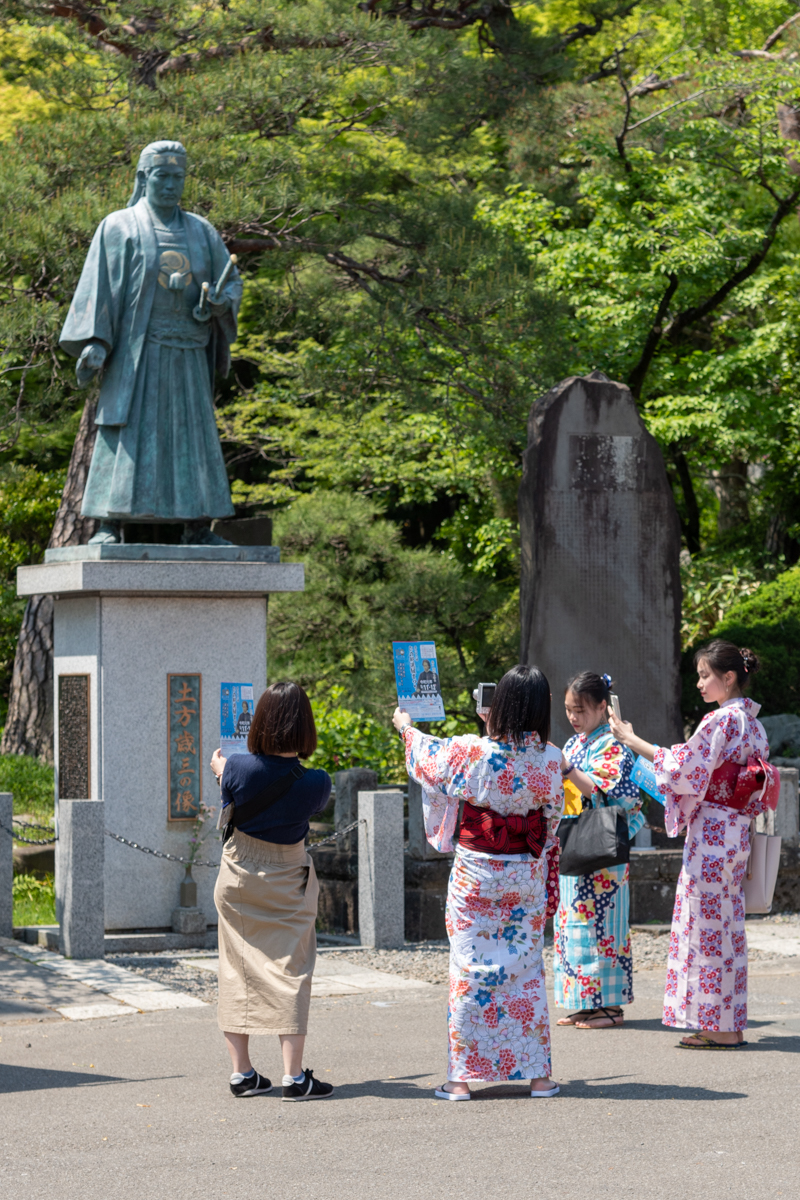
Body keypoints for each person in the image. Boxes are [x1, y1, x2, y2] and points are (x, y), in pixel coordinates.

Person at [393, 664, 564, 1100]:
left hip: (477, 874)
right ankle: (538, 1076)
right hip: (524, 871)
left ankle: (461, 1079)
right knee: (526, 969)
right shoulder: (551, 758)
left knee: (469, 969)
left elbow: (426, 762)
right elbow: (552, 816)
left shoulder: (472, 752)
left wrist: (406, 727)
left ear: (499, 706)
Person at [60, 139, 241, 545]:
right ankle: (110, 523)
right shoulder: (118, 226)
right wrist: (97, 343)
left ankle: (198, 525)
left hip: (189, 353)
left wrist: (217, 303)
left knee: (192, 436)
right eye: (163, 176)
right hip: (138, 354)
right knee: (127, 434)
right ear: (144, 178)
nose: (172, 186)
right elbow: (100, 290)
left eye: (179, 177)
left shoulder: (200, 230)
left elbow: (232, 283)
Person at [609, 640, 772, 1049]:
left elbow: (683, 769)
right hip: (737, 832)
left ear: (729, 677)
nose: (699, 684)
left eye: (705, 676)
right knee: (728, 928)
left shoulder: (720, 722)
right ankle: (729, 1023)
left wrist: (632, 740)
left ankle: (717, 1027)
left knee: (706, 928)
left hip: (714, 833)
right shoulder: (754, 724)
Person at [210, 681, 334, 1099]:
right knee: (292, 970)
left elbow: (232, 797)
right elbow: (305, 806)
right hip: (287, 875)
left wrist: (220, 772)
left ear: (260, 721)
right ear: (305, 729)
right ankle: (294, 1076)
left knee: (235, 968)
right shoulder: (316, 782)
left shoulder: (236, 768)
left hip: (238, 872)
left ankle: (242, 1073)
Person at [554, 672, 643, 1030]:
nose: (573, 717)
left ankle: (611, 1007)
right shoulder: (575, 743)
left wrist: (567, 768)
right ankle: (584, 1002)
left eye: (581, 710)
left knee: (604, 926)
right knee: (574, 924)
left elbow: (600, 791)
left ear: (603, 706)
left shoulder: (613, 744)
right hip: (575, 838)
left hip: (602, 843)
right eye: (568, 710)